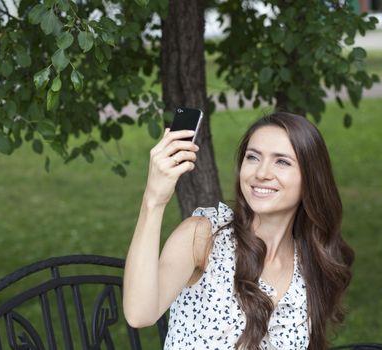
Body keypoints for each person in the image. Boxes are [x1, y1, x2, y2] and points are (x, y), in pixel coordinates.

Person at [123, 112, 354, 350]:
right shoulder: (204, 236)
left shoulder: (309, 263)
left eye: (282, 161)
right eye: (253, 157)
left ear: (311, 178)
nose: (261, 173)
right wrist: (154, 201)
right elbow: (140, 314)